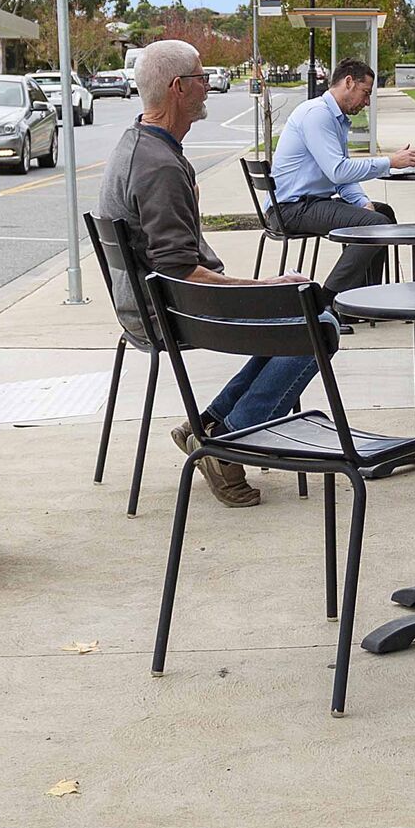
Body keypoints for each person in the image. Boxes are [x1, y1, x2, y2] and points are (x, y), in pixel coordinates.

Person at [97, 38, 325, 508]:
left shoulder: (137, 142)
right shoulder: (158, 166)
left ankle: (211, 427)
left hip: (147, 304)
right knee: (318, 322)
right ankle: (230, 443)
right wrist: (266, 287)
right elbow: (180, 270)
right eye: (202, 78)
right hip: (172, 310)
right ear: (179, 88)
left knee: (298, 316)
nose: (208, 87)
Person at [268, 57, 415, 293]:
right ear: (348, 82)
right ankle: (329, 299)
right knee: (377, 224)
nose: (367, 101)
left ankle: (366, 296)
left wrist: (362, 201)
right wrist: (390, 161)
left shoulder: (333, 118)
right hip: (290, 209)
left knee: (382, 213)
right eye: (365, 92)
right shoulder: (317, 115)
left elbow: (340, 175)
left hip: (308, 203)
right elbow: (338, 171)